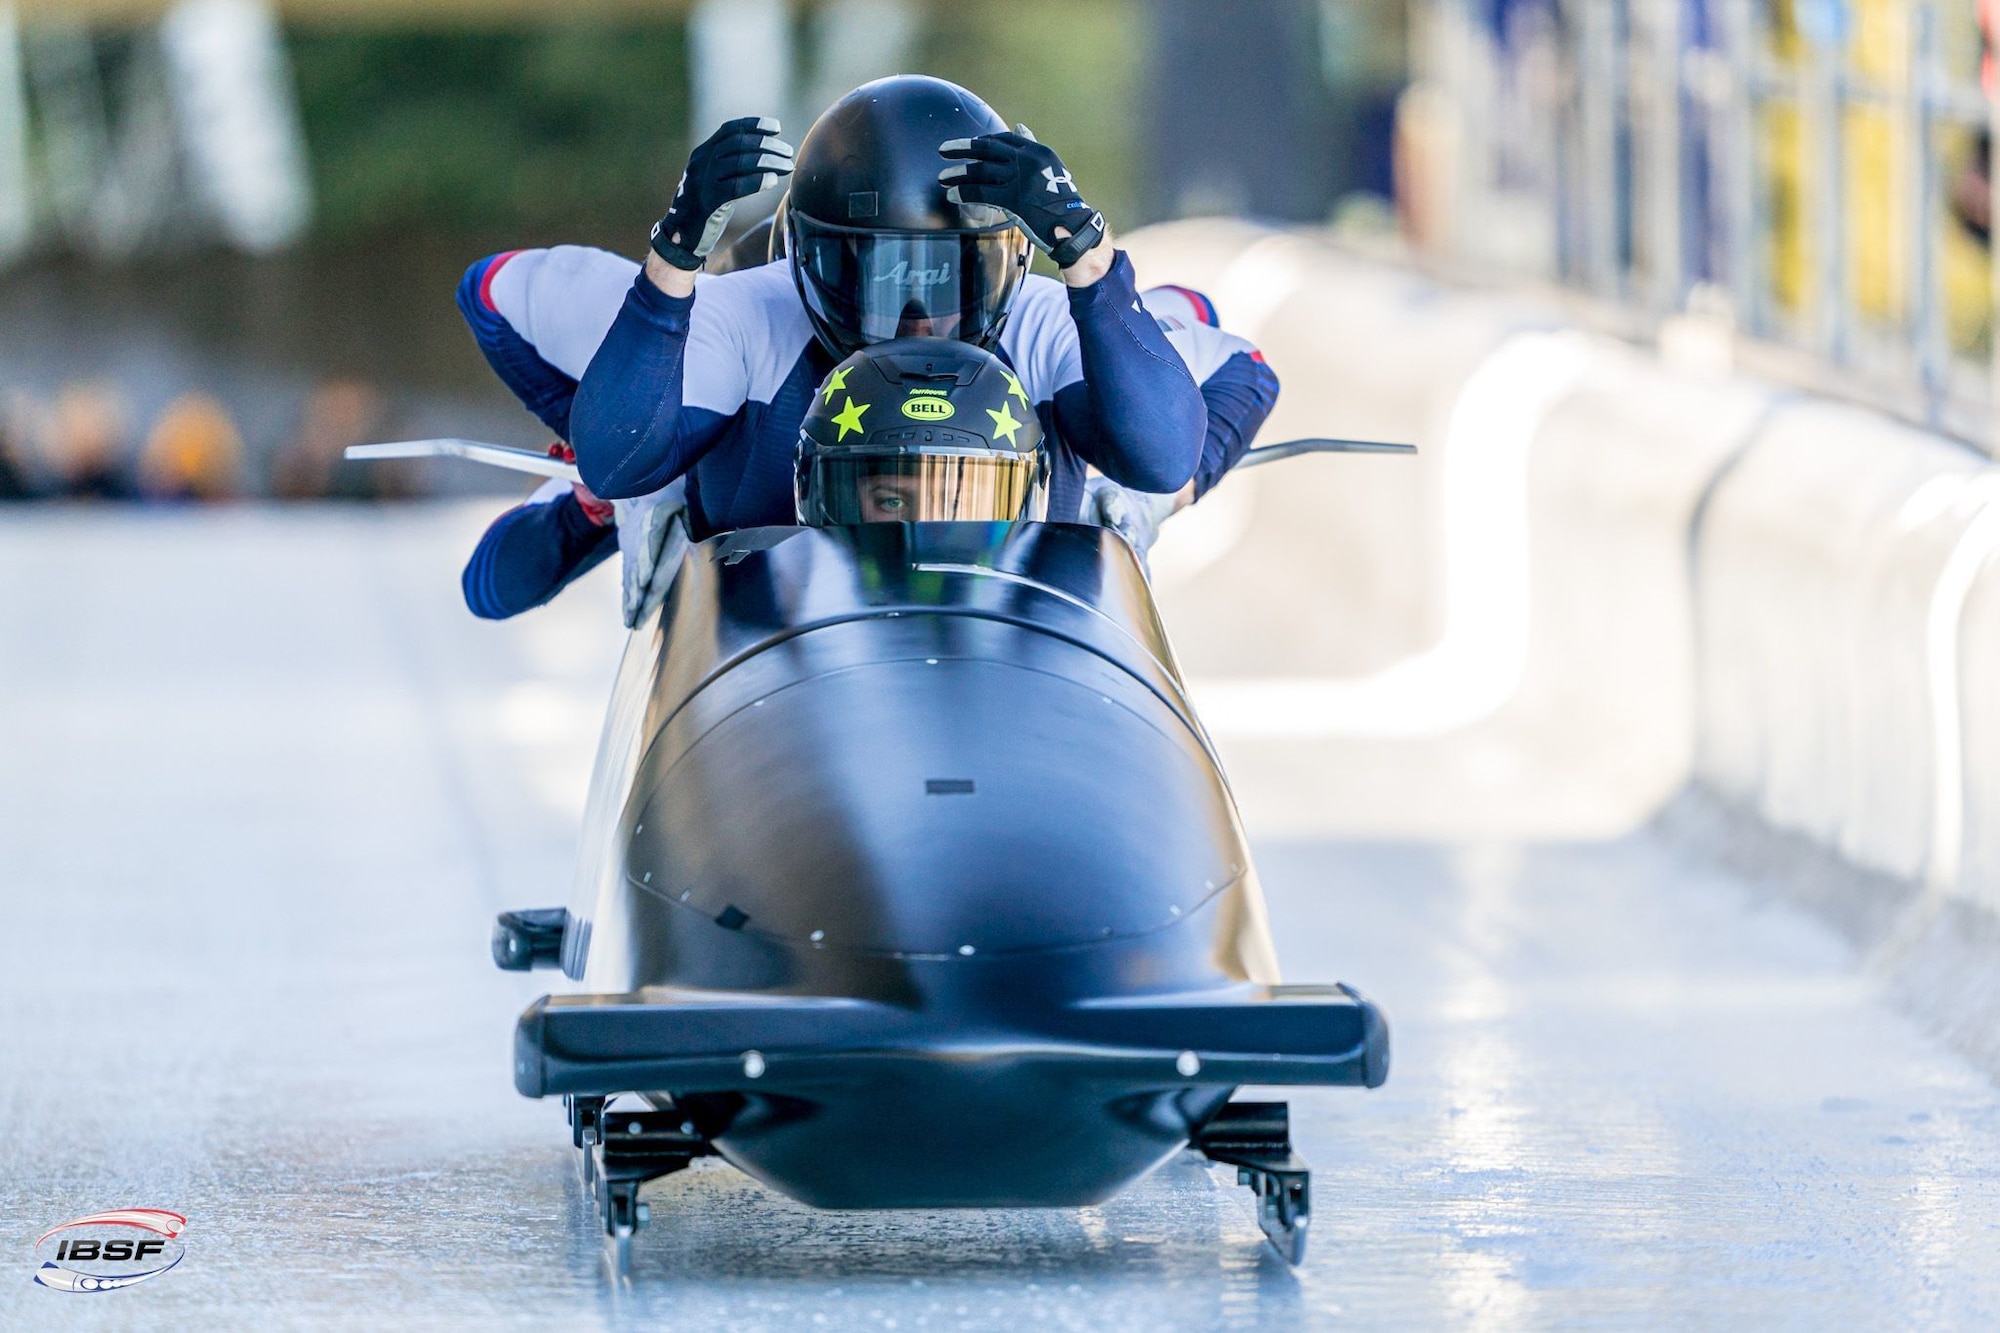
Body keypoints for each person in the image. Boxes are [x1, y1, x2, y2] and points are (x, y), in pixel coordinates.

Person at [455, 75, 1205, 550]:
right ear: (804, 260)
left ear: (1013, 261)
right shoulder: (743, 313)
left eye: (948, 276)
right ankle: (644, 501)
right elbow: (495, 297)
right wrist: (673, 259)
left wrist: (1093, 261)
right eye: (878, 273)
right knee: (626, 469)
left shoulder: (1048, 319)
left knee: (1170, 405)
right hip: (761, 603)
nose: (917, 320)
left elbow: (1175, 444)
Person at [458, 280, 1275, 619]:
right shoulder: (723, 350)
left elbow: (1235, 359)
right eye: (890, 492)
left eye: (960, 491)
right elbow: (488, 585)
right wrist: (609, 498)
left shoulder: (1047, 327)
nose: (912, 308)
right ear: (818, 487)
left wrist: (1150, 493)